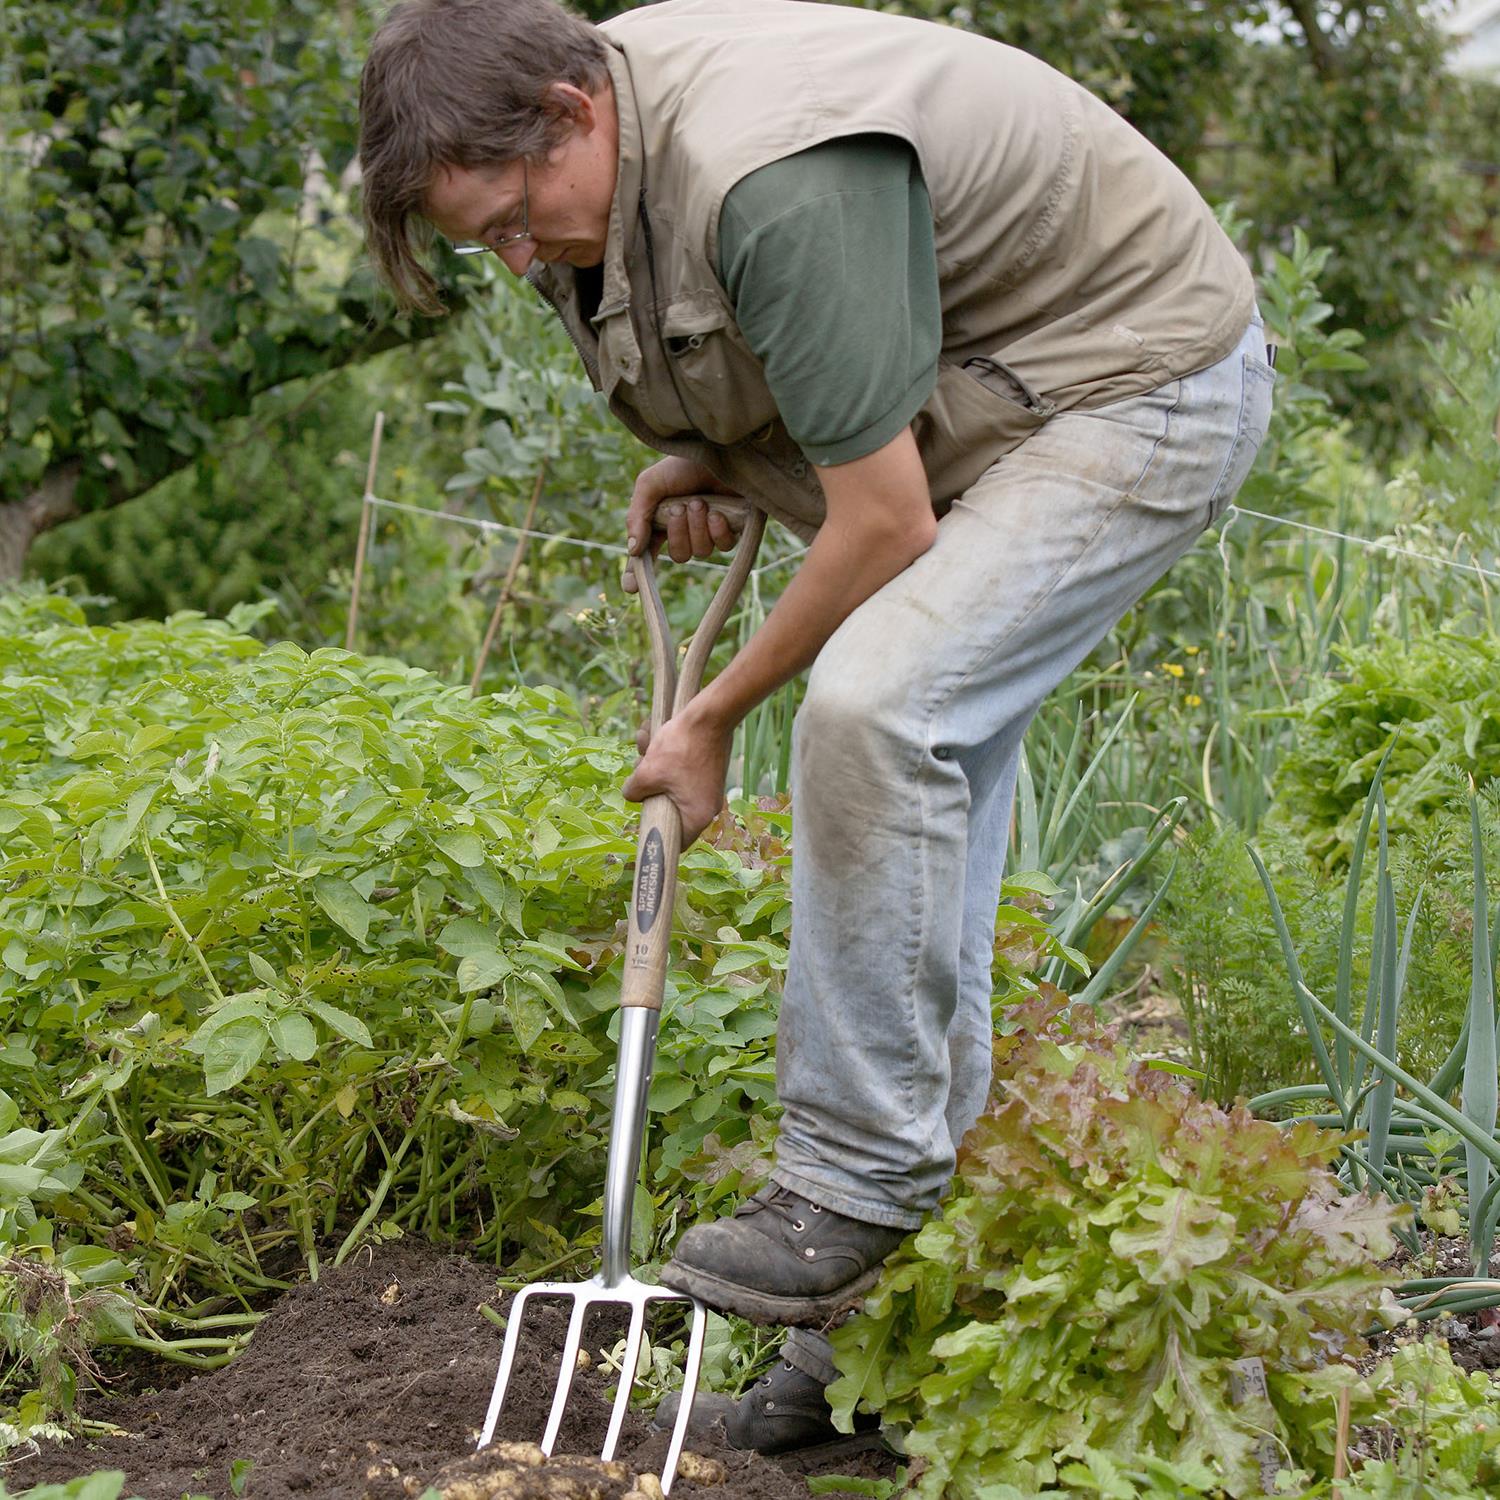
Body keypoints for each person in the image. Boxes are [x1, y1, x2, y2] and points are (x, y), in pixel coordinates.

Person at [359, 0, 1274, 1455]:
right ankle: (875, 1372)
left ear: (570, 108)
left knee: (876, 703)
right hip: (986, 401)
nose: (518, 259)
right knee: (925, 817)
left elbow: (886, 518)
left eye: (518, 217)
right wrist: (709, 452)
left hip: (1130, 381)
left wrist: (714, 715)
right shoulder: (582, 176)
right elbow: (756, 355)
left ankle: (851, 1184)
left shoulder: (766, 167)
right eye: (486, 247)